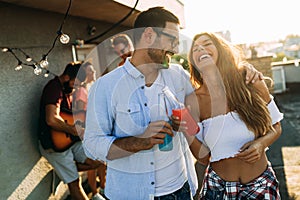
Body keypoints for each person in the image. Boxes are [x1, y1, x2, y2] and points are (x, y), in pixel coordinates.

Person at [83, 7, 262, 200]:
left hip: (182, 190)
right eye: (171, 40)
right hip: (131, 194)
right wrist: (139, 141)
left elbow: (214, 90)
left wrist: (243, 69)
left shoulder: (178, 76)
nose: (176, 49)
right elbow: (92, 145)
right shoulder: (105, 86)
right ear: (149, 35)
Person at [179, 32, 283, 199]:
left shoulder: (250, 81)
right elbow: (204, 158)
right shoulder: (193, 101)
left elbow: (276, 126)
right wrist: (185, 130)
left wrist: (261, 144)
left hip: (260, 185)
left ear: (221, 49)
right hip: (217, 189)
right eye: (195, 49)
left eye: (207, 44)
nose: (201, 49)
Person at [38, 62, 104, 200]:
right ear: (67, 77)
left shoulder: (68, 90)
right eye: (76, 83)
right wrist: (73, 130)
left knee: (99, 161)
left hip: (71, 141)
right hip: (55, 145)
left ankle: (64, 171)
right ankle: (66, 172)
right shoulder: (53, 88)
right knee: (75, 184)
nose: (77, 87)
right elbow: (51, 119)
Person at [73, 61, 107, 200]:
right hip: (88, 130)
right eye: (89, 71)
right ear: (84, 75)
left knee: (101, 161)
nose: (93, 73)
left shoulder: (93, 86)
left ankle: (103, 188)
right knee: (93, 162)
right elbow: (80, 112)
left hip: (97, 128)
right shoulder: (82, 90)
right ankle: (95, 193)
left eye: (93, 70)